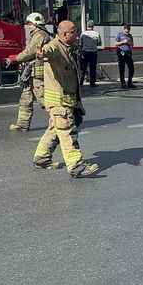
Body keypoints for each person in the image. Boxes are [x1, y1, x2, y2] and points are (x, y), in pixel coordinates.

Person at [33, 21, 99, 178]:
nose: (77, 34)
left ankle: (41, 158)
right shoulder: (55, 47)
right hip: (59, 101)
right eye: (74, 32)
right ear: (64, 34)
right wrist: (41, 53)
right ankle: (76, 166)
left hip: (67, 98)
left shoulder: (68, 48)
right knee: (67, 130)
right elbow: (47, 51)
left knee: (55, 129)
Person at [7, 12, 52, 131]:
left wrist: (16, 58)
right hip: (31, 73)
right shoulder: (37, 34)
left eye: (29, 23)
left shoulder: (40, 35)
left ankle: (61, 121)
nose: (28, 26)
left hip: (37, 73)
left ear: (35, 24)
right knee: (25, 99)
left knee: (43, 98)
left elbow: (30, 52)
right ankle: (22, 124)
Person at [79, 20, 101, 87]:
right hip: (93, 53)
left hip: (85, 52)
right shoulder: (96, 34)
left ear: (87, 26)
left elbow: (80, 44)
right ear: (93, 26)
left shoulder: (83, 34)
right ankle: (92, 83)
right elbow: (99, 43)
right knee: (92, 68)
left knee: (83, 68)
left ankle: (81, 82)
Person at [116, 23, 135, 89]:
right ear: (124, 29)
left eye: (129, 29)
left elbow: (132, 44)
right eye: (127, 29)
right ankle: (123, 83)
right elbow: (116, 43)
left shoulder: (130, 36)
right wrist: (123, 42)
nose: (128, 31)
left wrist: (129, 42)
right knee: (122, 68)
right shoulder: (119, 34)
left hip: (128, 53)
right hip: (121, 52)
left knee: (131, 68)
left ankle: (130, 82)